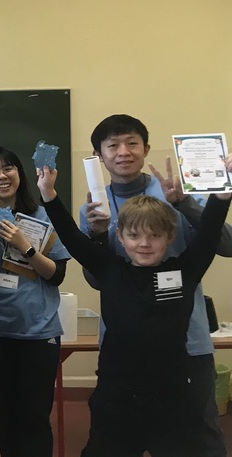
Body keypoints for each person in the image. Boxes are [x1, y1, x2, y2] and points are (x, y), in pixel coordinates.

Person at [37, 157, 232, 456]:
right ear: (120, 236)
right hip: (117, 399)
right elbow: (71, 235)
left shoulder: (185, 271)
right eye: (134, 235)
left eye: (154, 236)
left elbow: (208, 233)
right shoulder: (109, 269)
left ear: (170, 237)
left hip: (175, 399)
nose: (144, 243)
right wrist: (49, 194)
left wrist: (222, 194)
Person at [80, 114, 232, 455]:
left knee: (195, 441)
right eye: (113, 145)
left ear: (146, 148)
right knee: (117, 440)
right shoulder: (93, 206)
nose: (123, 152)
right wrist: (96, 234)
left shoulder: (177, 190)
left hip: (187, 344)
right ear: (99, 155)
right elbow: (97, 280)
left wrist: (184, 204)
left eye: (132, 143)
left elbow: (225, 245)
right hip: (124, 348)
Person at [0, 147, 69, 457]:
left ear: (19, 173)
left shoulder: (44, 215)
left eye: (8, 168)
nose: (1, 176)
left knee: (35, 415)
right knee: (6, 412)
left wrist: (26, 247)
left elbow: (56, 275)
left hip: (38, 331)